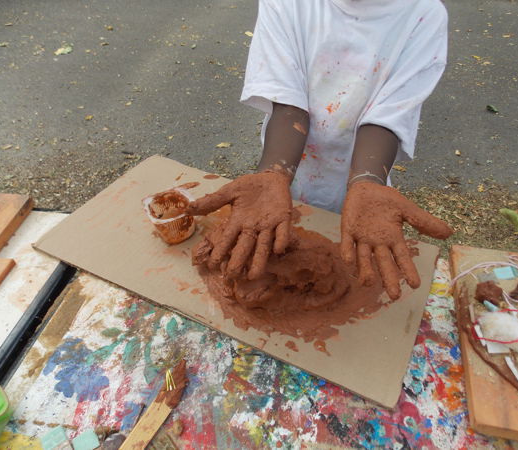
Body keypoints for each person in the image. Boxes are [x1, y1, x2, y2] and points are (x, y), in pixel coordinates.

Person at [188, 0, 453, 299]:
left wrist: (366, 182)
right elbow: (287, 99)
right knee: (272, 248)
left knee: (348, 271)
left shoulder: (424, 14)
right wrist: (275, 174)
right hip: (286, 172)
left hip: (366, 192)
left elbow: (387, 114)